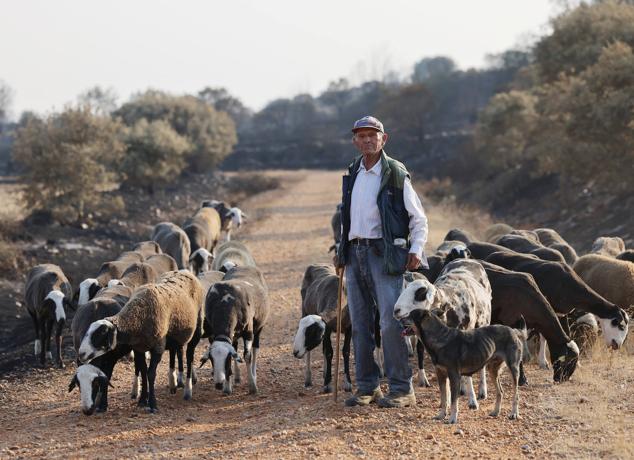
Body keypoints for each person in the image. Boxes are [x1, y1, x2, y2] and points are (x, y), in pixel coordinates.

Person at [335, 115, 428, 408]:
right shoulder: (354, 171)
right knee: (360, 324)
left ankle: (402, 389)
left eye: (372, 135)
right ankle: (367, 387)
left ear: (383, 139)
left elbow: (419, 217)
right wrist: (341, 252)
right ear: (354, 141)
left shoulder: (396, 174)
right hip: (355, 253)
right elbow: (347, 218)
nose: (367, 140)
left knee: (390, 322)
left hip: (384, 255)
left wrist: (416, 249)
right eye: (361, 136)